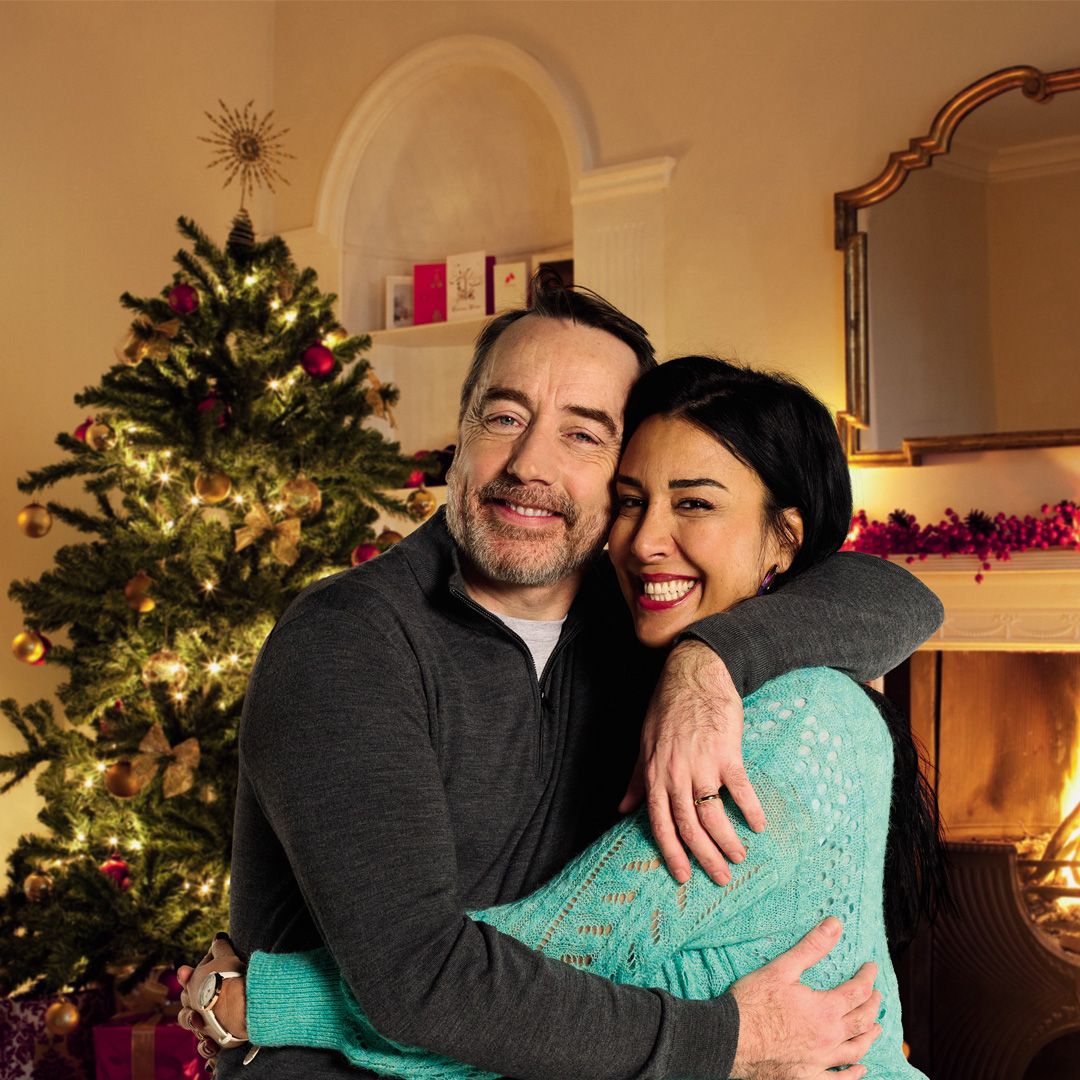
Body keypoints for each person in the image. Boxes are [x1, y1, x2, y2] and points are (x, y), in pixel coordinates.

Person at [180, 285, 943, 1079]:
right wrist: (725, 1041)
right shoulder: (351, 643)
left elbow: (895, 595)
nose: (529, 465)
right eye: (503, 417)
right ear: (460, 435)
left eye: (582, 434)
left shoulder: (644, 633)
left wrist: (706, 661)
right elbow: (419, 979)